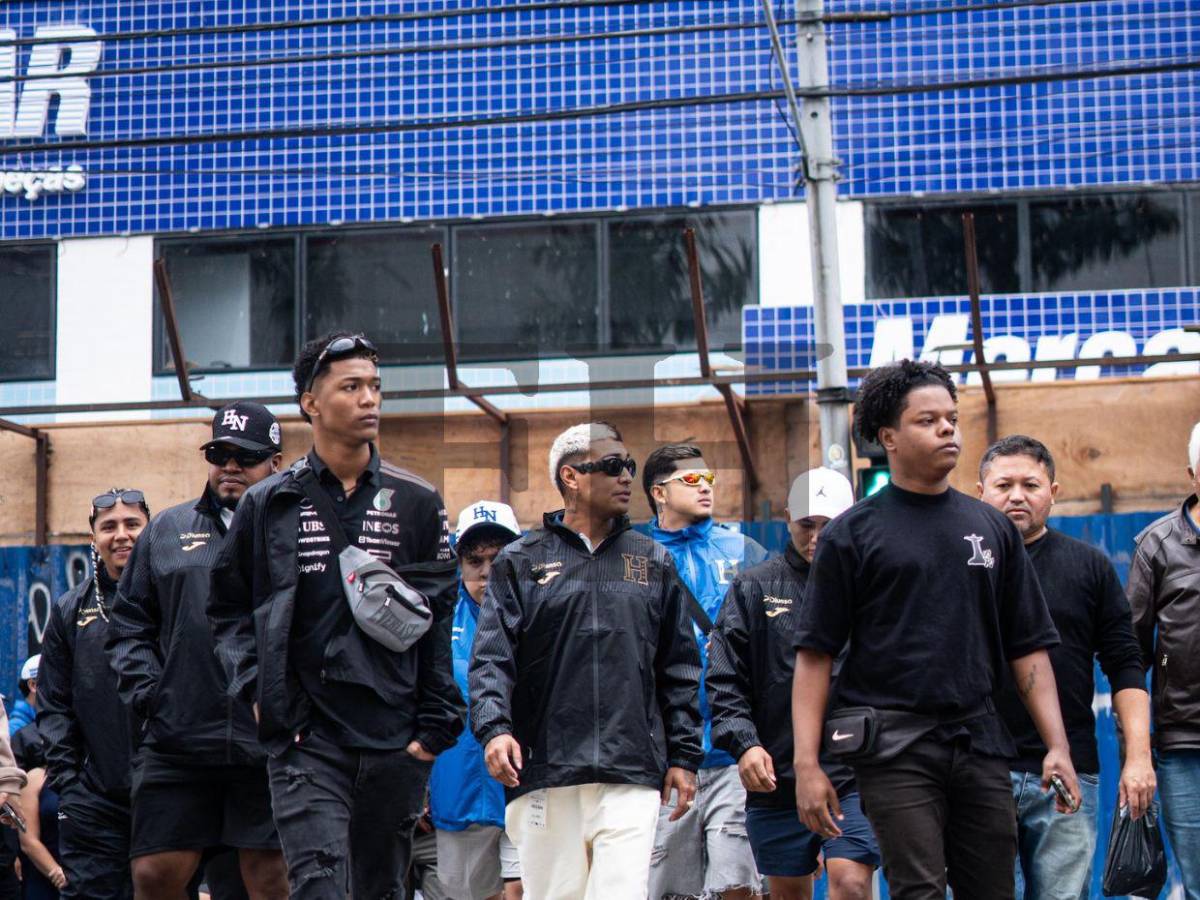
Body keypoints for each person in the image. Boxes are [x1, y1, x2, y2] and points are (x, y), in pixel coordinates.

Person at [791, 359, 1080, 899]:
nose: (948, 429)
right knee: (918, 890)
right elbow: (815, 655)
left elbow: (1028, 649)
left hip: (981, 742)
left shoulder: (991, 527)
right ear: (889, 437)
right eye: (928, 421)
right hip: (893, 746)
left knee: (992, 891)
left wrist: (1056, 746)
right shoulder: (851, 535)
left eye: (952, 418)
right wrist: (807, 765)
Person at [209, 332, 464, 900]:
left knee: (380, 890)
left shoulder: (418, 501)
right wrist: (256, 691)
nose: (369, 399)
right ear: (311, 403)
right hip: (306, 739)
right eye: (352, 387)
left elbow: (441, 615)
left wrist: (432, 728)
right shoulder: (268, 501)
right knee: (319, 888)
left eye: (375, 386)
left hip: (396, 740)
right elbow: (227, 609)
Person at [469, 422, 704, 900]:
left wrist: (683, 755)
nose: (626, 478)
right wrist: (494, 730)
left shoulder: (653, 560)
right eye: (613, 466)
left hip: (631, 769)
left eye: (630, 468)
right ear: (571, 477)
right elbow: (492, 658)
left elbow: (679, 667)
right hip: (544, 771)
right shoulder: (520, 560)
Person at [107, 403, 288, 900]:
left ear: (275, 463)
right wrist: (153, 696)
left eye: (245, 457)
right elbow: (129, 624)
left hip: (266, 741)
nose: (230, 467)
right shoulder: (166, 530)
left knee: (272, 881)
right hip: (179, 738)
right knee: (154, 873)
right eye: (220, 454)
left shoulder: (296, 532)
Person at [978, 435, 1154, 899]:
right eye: (1004, 485)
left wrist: (1138, 756)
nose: (1017, 495)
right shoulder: (963, 565)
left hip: (1068, 773)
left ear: (1053, 492)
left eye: (1030, 484)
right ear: (981, 492)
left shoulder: (1089, 567)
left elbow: (1126, 664)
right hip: (978, 770)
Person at [708, 468, 878, 900]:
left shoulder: (873, 587)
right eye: (807, 524)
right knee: (787, 894)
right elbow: (725, 679)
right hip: (776, 777)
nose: (817, 536)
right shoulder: (754, 587)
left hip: (854, 774)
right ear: (787, 517)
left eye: (829, 525)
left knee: (851, 882)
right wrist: (745, 744)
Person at [642, 444, 767, 900]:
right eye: (691, 480)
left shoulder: (745, 551)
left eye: (709, 478)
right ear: (659, 492)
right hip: (667, 760)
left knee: (739, 885)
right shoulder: (635, 558)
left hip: (738, 752)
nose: (706, 487)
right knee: (666, 889)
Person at [38, 489, 151, 899]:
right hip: (93, 798)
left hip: (165, 791)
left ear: (149, 529)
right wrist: (70, 781)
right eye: (109, 527)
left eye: (132, 524)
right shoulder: (71, 609)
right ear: (94, 537)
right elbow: (53, 704)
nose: (121, 535)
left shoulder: (173, 597)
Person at [429, 501, 523, 900]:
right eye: (475, 560)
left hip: (529, 783)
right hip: (460, 784)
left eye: (498, 558)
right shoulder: (439, 619)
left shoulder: (544, 611)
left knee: (524, 886)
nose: (487, 571)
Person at [1128, 419, 1200, 898]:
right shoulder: (1158, 544)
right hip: (1184, 743)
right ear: (1193, 474)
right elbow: (1130, 654)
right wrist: (1136, 751)